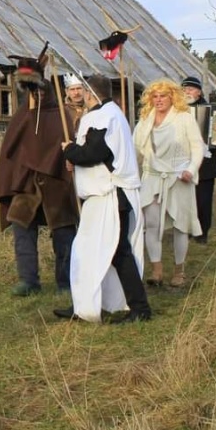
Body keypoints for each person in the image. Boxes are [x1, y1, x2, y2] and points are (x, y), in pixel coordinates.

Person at [57, 74, 152, 324]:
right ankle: (88, 304)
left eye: (84, 92)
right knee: (105, 252)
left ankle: (136, 309)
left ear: (90, 93)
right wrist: (75, 160)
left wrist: (70, 150)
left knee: (105, 252)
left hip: (109, 195)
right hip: (106, 194)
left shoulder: (103, 116)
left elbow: (94, 152)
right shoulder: (111, 114)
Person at [0, 54, 78, 296]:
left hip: (56, 184)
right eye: (33, 91)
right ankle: (28, 280)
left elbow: (68, 146)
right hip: (27, 185)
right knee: (22, 228)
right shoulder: (23, 115)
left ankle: (66, 281)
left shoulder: (61, 115)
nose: (38, 95)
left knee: (63, 234)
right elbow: (11, 151)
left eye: (41, 90)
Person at [133, 79, 204, 288]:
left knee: (180, 226)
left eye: (163, 96)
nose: (159, 100)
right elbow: (134, 147)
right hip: (152, 177)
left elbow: (198, 148)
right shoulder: (145, 120)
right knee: (152, 224)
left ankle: (179, 270)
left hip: (178, 178)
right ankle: (156, 270)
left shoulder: (184, 118)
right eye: (155, 96)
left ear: (172, 97)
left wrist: (190, 170)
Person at [181, 76, 216, 244]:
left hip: (205, 164)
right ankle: (185, 230)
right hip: (183, 161)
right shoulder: (178, 110)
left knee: (203, 200)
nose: (187, 92)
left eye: (191, 89)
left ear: (199, 92)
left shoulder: (212, 109)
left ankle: (202, 233)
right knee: (185, 200)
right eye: (184, 89)